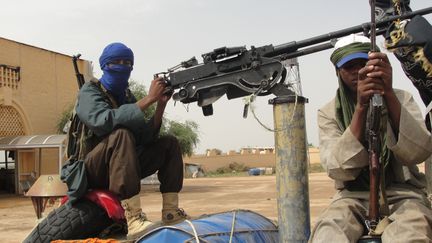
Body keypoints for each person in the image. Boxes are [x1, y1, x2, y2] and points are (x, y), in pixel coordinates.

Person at [309, 34, 432, 242]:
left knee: (411, 233)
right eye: (349, 67)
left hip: (404, 194)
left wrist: (389, 94)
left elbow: (419, 152)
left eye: (364, 64)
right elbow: (336, 168)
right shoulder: (329, 112)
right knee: (329, 232)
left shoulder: (402, 99)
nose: (358, 72)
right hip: (352, 197)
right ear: (338, 72)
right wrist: (360, 108)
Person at [74, 42, 188, 239]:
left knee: (168, 143)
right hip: (92, 169)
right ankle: (133, 218)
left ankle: (170, 211)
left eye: (127, 63)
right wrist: (147, 100)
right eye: (116, 62)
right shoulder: (89, 91)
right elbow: (102, 121)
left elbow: (145, 136)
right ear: (104, 65)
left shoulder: (126, 95)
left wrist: (159, 105)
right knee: (121, 135)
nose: (123, 67)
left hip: (122, 165)